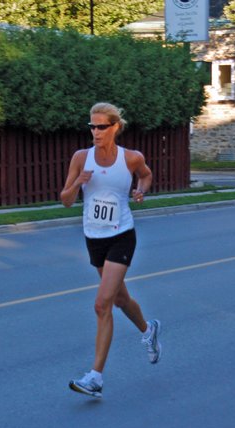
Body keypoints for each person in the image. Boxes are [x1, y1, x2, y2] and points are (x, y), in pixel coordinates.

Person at [60, 102, 162, 399]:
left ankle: (95, 378)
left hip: (122, 235)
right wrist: (78, 183)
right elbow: (65, 200)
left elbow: (146, 175)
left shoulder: (131, 158)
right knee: (120, 298)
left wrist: (141, 189)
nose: (95, 132)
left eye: (101, 127)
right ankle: (148, 329)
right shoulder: (81, 158)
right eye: (92, 126)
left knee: (102, 304)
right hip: (94, 237)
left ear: (115, 127)